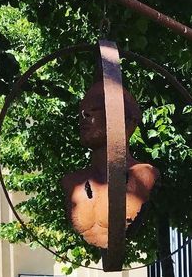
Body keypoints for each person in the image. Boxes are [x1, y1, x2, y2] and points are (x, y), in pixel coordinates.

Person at [61, 81, 159, 249]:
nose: (83, 117)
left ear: (123, 120)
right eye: (82, 112)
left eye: (93, 110)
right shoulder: (71, 182)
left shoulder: (144, 175)